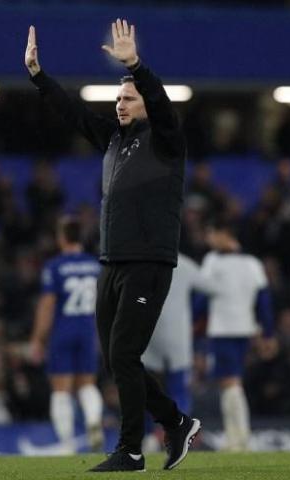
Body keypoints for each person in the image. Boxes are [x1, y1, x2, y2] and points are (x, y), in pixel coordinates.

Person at [26, 19, 199, 472]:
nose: (119, 104)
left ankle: (132, 450)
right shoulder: (114, 140)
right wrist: (40, 77)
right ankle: (176, 422)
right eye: (118, 98)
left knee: (124, 354)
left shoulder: (166, 141)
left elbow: (161, 104)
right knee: (116, 359)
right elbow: (73, 114)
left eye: (128, 98)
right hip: (113, 262)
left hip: (149, 261)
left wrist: (136, 66)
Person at [29, 216, 104, 454]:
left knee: (61, 390)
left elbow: (48, 304)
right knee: (87, 385)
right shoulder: (96, 265)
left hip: (63, 329)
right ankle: (93, 420)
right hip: (87, 328)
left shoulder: (55, 266)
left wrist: (38, 338)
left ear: (62, 237)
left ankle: (67, 443)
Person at [201, 220, 275, 452]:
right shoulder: (252, 263)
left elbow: (201, 297)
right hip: (245, 329)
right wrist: (268, 332)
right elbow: (264, 301)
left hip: (223, 329)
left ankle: (239, 437)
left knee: (230, 382)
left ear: (225, 234)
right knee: (231, 382)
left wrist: (189, 320)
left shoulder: (212, 262)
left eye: (213, 233)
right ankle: (236, 435)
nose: (209, 238)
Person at [141, 252, 219, 450]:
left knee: (147, 388)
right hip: (178, 335)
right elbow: (212, 287)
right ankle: (176, 434)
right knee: (179, 387)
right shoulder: (183, 263)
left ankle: (150, 436)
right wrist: (195, 307)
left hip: (149, 331)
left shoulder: (141, 262)